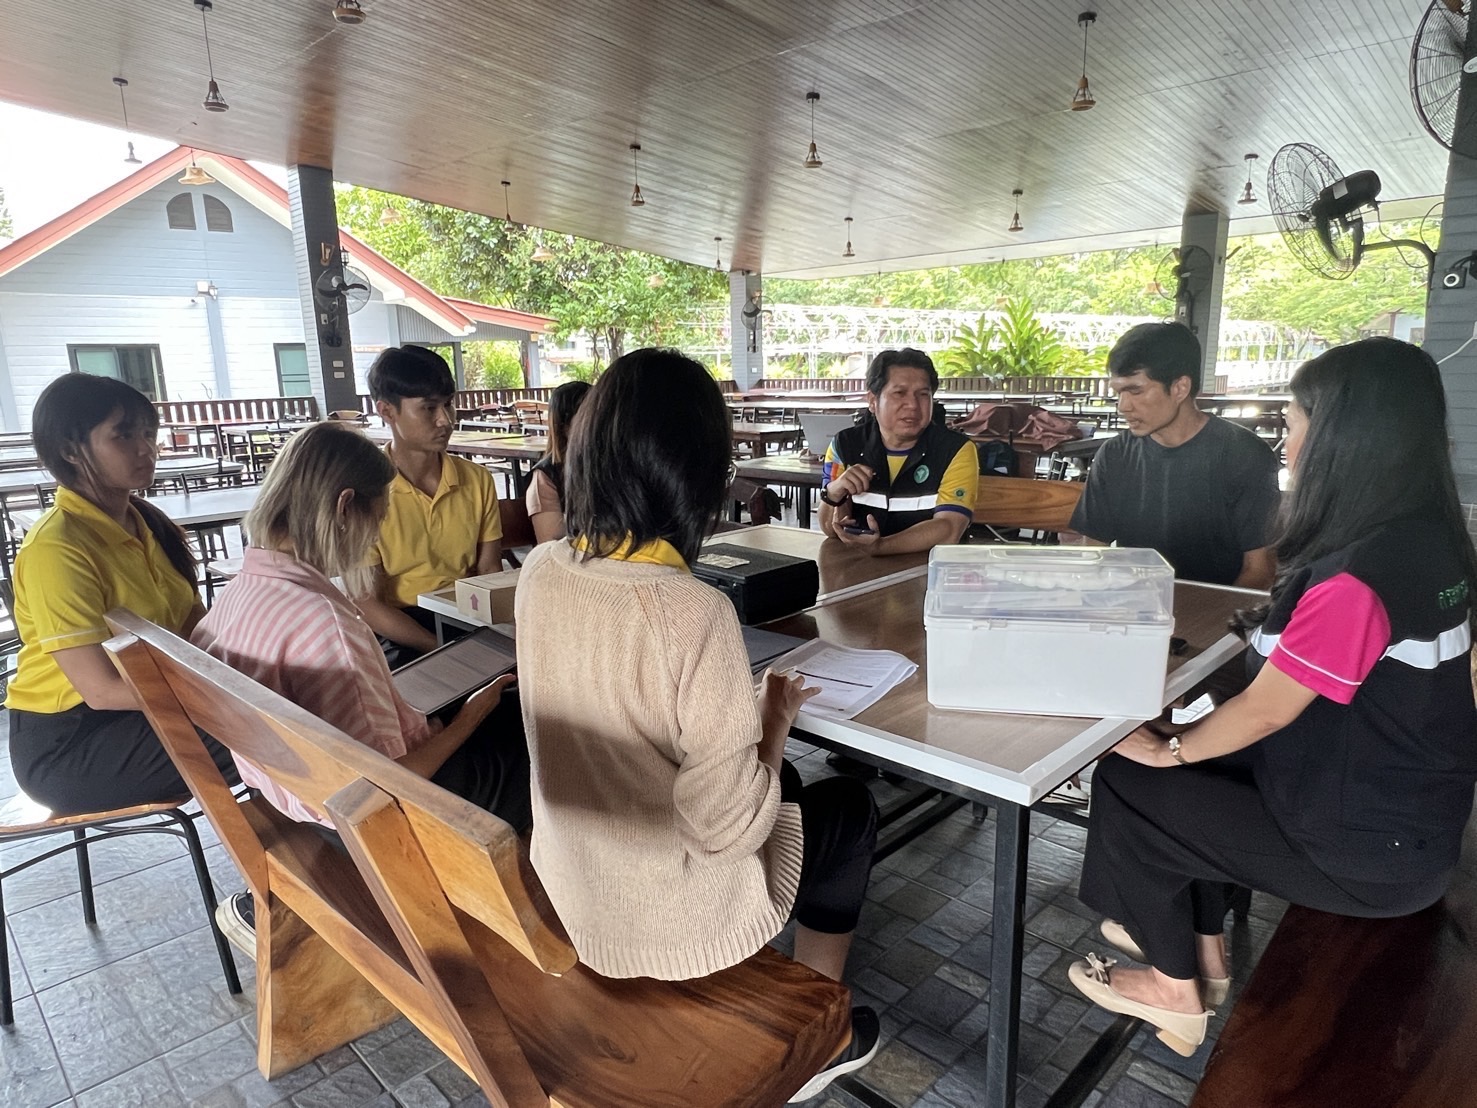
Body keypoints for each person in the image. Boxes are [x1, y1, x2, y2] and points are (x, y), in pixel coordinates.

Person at [1067, 338, 1477, 1058]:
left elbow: (1267, 709)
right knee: (1183, 772)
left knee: (1133, 781)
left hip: (1366, 852)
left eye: (1291, 425)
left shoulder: (1356, 577)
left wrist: (1170, 748)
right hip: (1404, 813)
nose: (1285, 447)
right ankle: (1205, 953)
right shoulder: (1428, 538)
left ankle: (1173, 990)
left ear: (1342, 441)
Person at [514, 348, 881, 1102]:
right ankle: (810, 1034)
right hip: (667, 918)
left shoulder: (541, 569)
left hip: (569, 884)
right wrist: (770, 724)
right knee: (848, 808)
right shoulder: (691, 610)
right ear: (701, 474)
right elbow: (723, 830)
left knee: (789, 787)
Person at [194, 421, 531, 950]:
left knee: (481, 705)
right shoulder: (325, 623)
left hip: (293, 793)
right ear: (345, 507)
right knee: (530, 734)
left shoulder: (239, 594)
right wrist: (470, 716)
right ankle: (527, 910)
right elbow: (388, 785)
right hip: (373, 818)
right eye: (379, 516)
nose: (376, 534)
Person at [5, 374, 239, 814]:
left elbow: (197, 631)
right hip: (72, 743)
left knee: (288, 716)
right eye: (124, 435)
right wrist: (227, 696)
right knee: (261, 737)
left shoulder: (147, 525)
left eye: (149, 433)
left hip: (146, 705)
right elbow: (101, 689)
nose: (146, 448)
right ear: (71, 450)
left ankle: (299, 842)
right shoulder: (57, 547)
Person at [1069, 322, 1280, 588]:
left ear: (1180, 388)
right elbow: (1094, 552)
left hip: (1222, 608)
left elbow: (1260, 570)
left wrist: (1204, 614)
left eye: (1135, 391)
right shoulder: (1115, 455)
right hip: (1137, 604)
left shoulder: (1244, 455)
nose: (1123, 406)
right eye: (1118, 393)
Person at [355, 346, 503, 665]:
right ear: (387, 411)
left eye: (448, 404)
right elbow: (368, 604)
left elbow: (489, 572)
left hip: (466, 615)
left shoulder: (477, 480)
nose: (445, 420)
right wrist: (441, 647)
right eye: (429, 408)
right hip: (401, 629)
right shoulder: (364, 492)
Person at [819, 348, 978, 554]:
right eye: (899, 393)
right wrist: (834, 492)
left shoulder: (955, 450)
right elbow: (830, 529)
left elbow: (949, 529)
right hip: (860, 565)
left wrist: (881, 546)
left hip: (930, 567)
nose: (912, 405)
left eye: (923, 395)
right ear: (873, 401)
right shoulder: (844, 445)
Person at [525, 380, 591, 544]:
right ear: (564, 426)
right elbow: (550, 544)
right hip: (574, 557)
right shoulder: (546, 477)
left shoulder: (613, 465)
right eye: (588, 415)